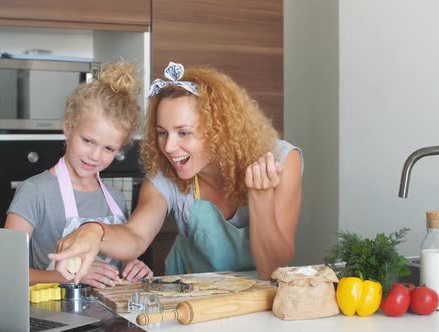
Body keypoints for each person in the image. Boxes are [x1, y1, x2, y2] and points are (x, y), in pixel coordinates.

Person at [49, 62, 303, 282]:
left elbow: (271, 270)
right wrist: (94, 231)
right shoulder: (165, 176)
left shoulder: (279, 161)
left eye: (183, 132)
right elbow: (135, 235)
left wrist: (260, 199)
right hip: (192, 300)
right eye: (162, 132)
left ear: (219, 130)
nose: (169, 147)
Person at [4, 61, 153, 288]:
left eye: (109, 149)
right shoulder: (34, 191)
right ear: (68, 127)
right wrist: (68, 276)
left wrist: (132, 265)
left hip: (106, 317)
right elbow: (9, 270)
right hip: (52, 315)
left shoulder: (116, 199)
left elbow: (117, 262)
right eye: (88, 141)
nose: (94, 156)